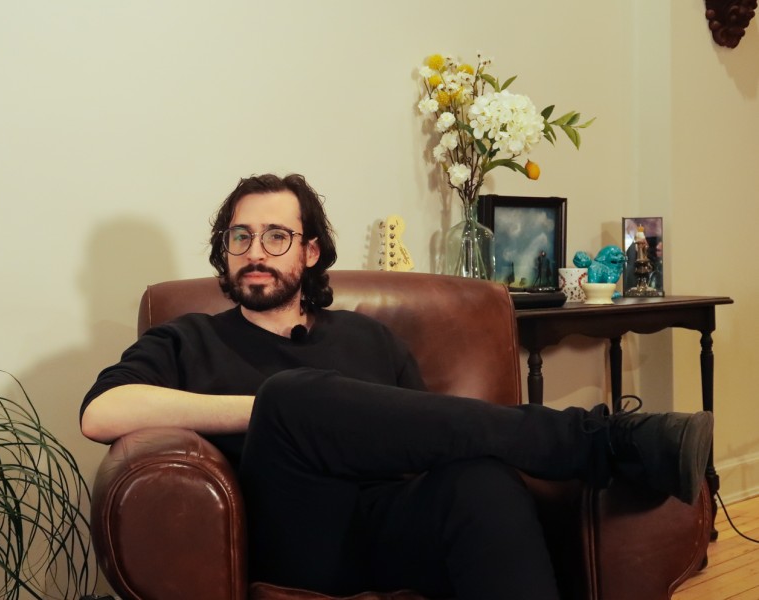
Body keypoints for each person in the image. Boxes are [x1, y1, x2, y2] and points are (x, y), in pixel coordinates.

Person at [80, 173, 713, 600]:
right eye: (240, 237)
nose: (256, 250)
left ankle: (593, 445)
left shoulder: (368, 339)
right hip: (295, 533)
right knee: (290, 396)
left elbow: (434, 435)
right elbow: (102, 412)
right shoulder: (189, 337)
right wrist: (263, 412)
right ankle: (599, 440)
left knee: (480, 483)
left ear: (310, 252)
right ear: (224, 252)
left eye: (277, 236)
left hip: (392, 525)